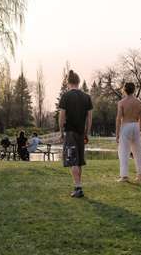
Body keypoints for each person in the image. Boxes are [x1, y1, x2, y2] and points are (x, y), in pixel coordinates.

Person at [59, 70, 93, 198]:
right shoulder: (87, 97)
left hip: (70, 132)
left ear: (68, 83)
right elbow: (90, 118)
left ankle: (78, 188)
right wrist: (87, 133)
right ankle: (78, 185)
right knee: (78, 161)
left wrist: (61, 132)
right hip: (81, 132)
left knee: (72, 160)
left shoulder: (66, 96)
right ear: (78, 82)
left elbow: (61, 117)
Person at [116, 82, 141, 182]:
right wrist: (139, 129)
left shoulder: (121, 103)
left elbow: (118, 118)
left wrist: (117, 134)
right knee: (138, 151)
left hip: (126, 125)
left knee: (124, 151)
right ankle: (140, 174)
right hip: (135, 126)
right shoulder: (139, 103)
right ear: (134, 90)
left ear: (124, 90)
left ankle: (124, 176)